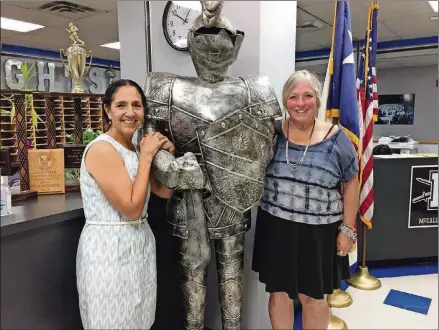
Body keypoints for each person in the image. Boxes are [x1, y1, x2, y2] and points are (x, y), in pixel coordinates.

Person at [252, 70, 359, 330]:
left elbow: (351, 183)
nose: (300, 103)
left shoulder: (336, 138)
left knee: (313, 297)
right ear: (285, 101)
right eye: (293, 97)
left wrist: (347, 228)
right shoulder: (272, 133)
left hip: (318, 232)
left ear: (317, 100)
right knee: (278, 293)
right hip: (276, 226)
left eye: (308, 96)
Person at [76, 79, 175, 329]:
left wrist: (168, 158)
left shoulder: (132, 149)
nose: (130, 112)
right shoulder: (102, 149)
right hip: (108, 250)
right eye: (121, 105)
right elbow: (131, 209)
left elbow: (163, 192)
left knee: (138, 318)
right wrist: (148, 156)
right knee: (111, 321)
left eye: (137, 105)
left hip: (139, 245)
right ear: (108, 110)